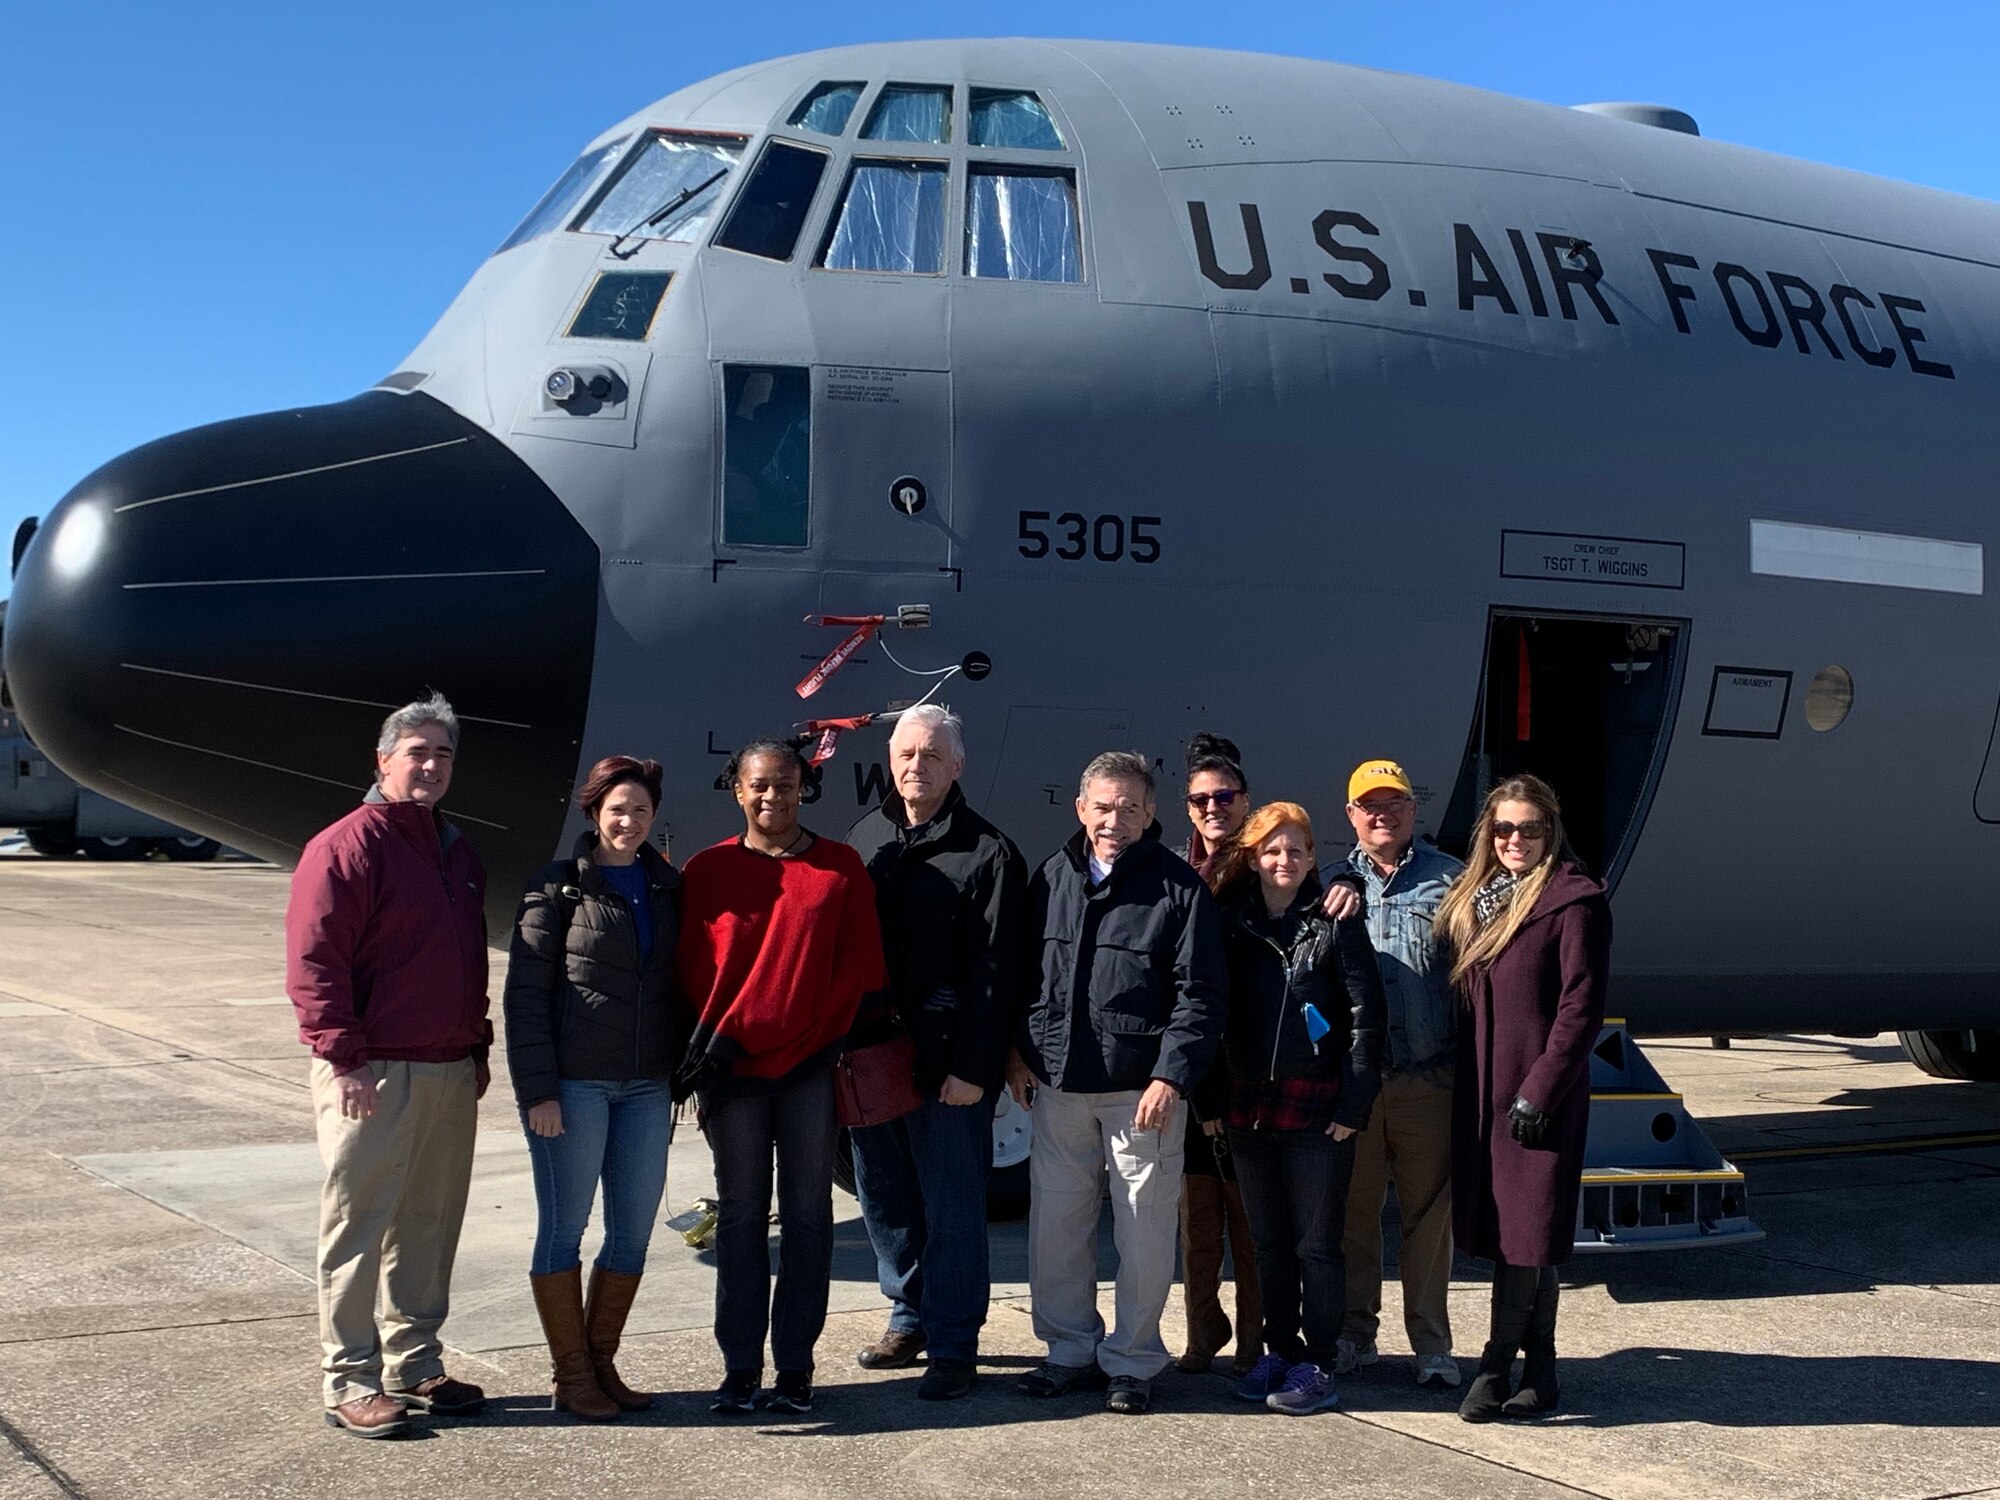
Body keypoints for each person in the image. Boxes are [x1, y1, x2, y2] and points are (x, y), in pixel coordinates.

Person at [286, 694, 491, 1438]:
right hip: (372, 1071)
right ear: (383, 762)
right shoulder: (346, 846)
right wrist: (342, 1059)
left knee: (430, 1223)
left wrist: (477, 1047)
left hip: (446, 1067)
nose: (432, 766)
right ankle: (349, 1379)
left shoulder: (455, 850)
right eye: (418, 753)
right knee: (358, 1223)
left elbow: (467, 959)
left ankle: (415, 1360)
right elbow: (316, 964)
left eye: (443, 754)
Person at [1008, 751, 1226, 1416]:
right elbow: (1024, 975)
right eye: (1103, 806)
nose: (1115, 819)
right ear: (1081, 809)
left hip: (1142, 1093)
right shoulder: (1051, 877)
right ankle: (1069, 1350)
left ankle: (1132, 1361)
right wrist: (1019, 1054)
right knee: (1056, 1228)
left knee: (1144, 1232)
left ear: (1150, 813)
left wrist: (1172, 1076)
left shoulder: (1178, 890)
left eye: (1130, 807)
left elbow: (1202, 995)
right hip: (1060, 1083)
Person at [678, 739, 887, 1418]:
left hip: (808, 1070)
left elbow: (857, 971)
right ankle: (739, 1367)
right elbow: (690, 973)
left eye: (787, 786)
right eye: (760, 786)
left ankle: (794, 1365)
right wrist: (722, 1046)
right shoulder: (707, 871)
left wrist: (806, 1041)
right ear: (738, 790)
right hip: (733, 1073)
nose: (774, 798)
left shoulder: (839, 869)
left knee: (807, 1216)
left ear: (806, 790)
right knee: (740, 1218)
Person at [845, 706, 1027, 1401]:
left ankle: (953, 1343)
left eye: (931, 754)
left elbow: (996, 973)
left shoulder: (989, 853)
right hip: (869, 1058)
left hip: (947, 1063)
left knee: (953, 1208)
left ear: (957, 765)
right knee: (884, 1198)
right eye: (905, 754)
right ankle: (908, 1314)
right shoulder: (864, 839)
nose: (915, 765)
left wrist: (973, 1070)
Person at [505, 756, 684, 1421]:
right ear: (593, 812)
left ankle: (601, 1362)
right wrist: (538, 1093)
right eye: (617, 809)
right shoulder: (557, 890)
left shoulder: (668, 887)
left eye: (640, 810)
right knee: (564, 1230)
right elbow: (524, 999)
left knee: (633, 1233)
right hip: (574, 1087)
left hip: (645, 1089)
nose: (629, 821)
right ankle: (570, 1373)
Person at [1435, 775, 1610, 1422]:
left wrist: (1541, 1090)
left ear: (1550, 832)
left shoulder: (1573, 902)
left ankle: (1494, 1364)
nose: (1516, 840)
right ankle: (1543, 1370)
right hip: (1485, 1096)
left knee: (1525, 1236)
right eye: (1504, 828)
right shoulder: (1477, 902)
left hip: (1540, 1100)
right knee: (1521, 1237)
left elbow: (1581, 1008)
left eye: (1530, 829)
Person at [1205, 804, 1384, 1416]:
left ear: (1313, 858)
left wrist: (1354, 1104)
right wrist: (1211, 1101)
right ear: (1254, 856)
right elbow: (1209, 1012)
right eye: (1273, 851)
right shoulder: (1231, 924)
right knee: (1268, 1244)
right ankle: (1280, 1352)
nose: (1286, 861)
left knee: (1317, 1246)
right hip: (1249, 1107)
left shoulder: (1334, 922)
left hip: (1317, 1108)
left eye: (1298, 851)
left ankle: (1321, 1362)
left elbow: (1366, 1016)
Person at [1335, 759, 1466, 1390]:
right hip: (1356, 1086)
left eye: (1394, 804)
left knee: (1427, 1219)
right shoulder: (1327, 883)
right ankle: (1356, 1334)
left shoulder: (1453, 882)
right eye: (1369, 805)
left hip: (1427, 1080)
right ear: (1351, 815)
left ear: (1415, 811)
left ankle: (1432, 1344)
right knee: (1354, 1216)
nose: (1381, 814)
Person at [1173, 734, 1264, 1376]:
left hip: (1241, 1071)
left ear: (1245, 801)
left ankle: (1254, 1338)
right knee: (1196, 1215)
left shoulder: (1262, 871)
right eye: (1200, 799)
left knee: (1246, 1214)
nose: (1212, 807)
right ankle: (1203, 1329)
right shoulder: (1179, 872)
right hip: (1188, 1070)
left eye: (1223, 796)